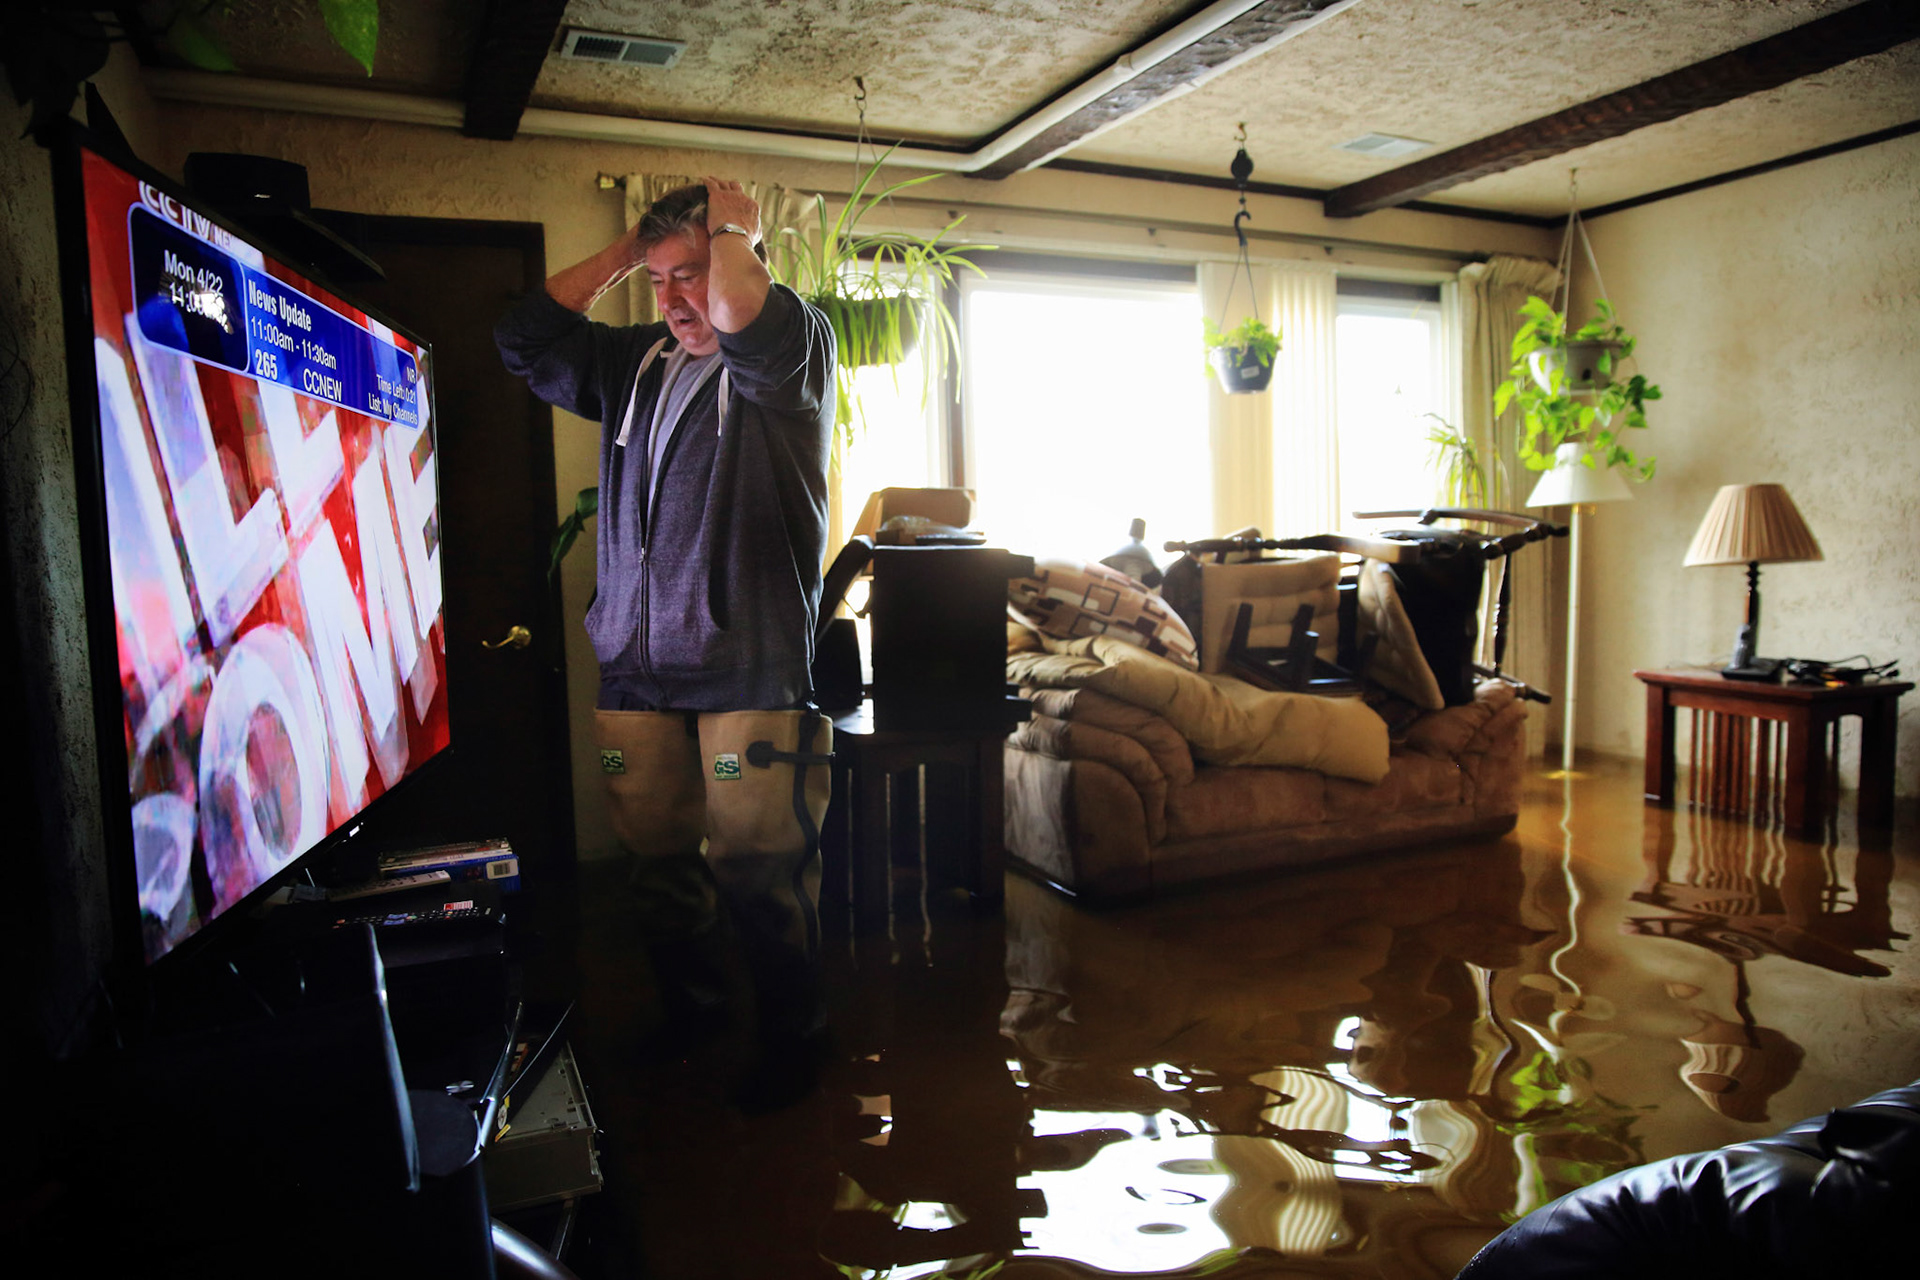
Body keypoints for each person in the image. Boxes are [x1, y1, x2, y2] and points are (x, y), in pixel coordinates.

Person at [495, 178, 836, 1108]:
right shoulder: (632, 359)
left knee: (759, 865)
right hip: (638, 667)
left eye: (694, 272)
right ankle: (695, 1014)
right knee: (655, 857)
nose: (679, 299)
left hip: (749, 665)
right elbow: (520, 337)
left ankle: (794, 1043)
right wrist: (629, 258)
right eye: (661, 282)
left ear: (742, 255)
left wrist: (729, 233)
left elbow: (739, 312)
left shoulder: (790, 347)